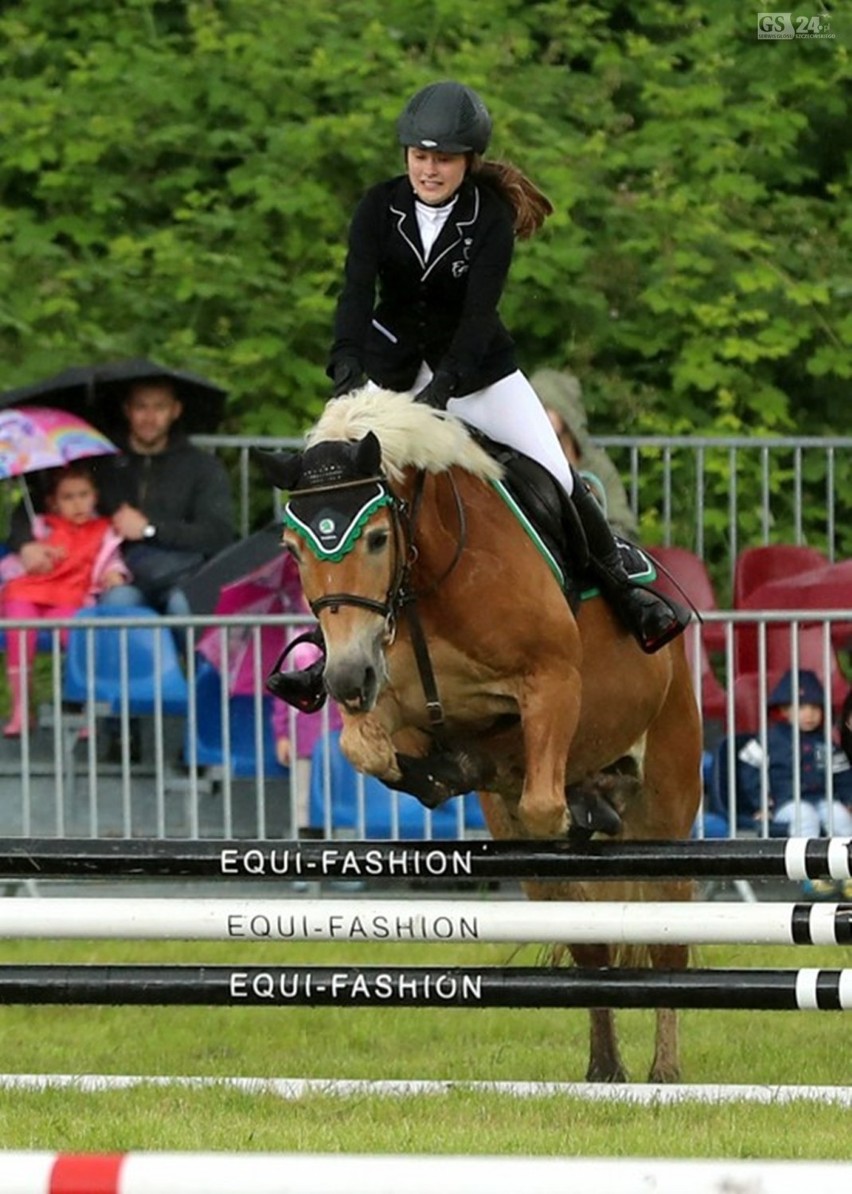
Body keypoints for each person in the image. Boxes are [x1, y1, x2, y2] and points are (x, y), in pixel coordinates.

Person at [325, 80, 687, 674]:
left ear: (468, 161)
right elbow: (356, 291)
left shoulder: (487, 216)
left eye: (442, 158)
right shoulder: (377, 207)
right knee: (336, 481)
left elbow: (478, 314)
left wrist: (444, 387)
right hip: (392, 374)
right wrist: (345, 362)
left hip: (479, 375)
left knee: (557, 474)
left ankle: (625, 591)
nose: (429, 169)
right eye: (419, 156)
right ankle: (323, 642)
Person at [0, 462, 128, 736]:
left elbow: (111, 560)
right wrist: (32, 556)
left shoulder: (104, 531)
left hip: (69, 598)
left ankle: (86, 708)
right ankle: (21, 708)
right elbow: (12, 564)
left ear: (95, 496)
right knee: (19, 633)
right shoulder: (40, 526)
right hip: (28, 591)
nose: (77, 503)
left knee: (79, 637)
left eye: (83, 495)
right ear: (53, 503)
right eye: (68, 498)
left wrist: (115, 575)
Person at [92, 380, 235, 619]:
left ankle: (193, 658)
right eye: (141, 407)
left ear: (175, 411)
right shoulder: (103, 462)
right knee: (117, 604)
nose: (149, 417)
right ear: (127, 410)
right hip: (124, 577)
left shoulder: (202, 467)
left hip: (185, 575)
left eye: (159, 408)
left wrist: (149, 529)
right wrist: (25, 543)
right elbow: (51, 500)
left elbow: (217, 534)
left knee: (185, 607)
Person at [531, 367, 639, 542]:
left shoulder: (596, 465)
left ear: (565, 412)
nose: (541, 416)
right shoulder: (529, 464)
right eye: (535, 408)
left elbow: (622, 523)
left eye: (547, 408)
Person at [765, 669, 852, 839]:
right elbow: (751, 775)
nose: (809, 714)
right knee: (805, 817)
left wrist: (849, 800)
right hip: (784, 803)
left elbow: (843, 776)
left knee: (841, 817)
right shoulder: (769, 740)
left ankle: (845, 862)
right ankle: (801, 864)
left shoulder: (827, 744)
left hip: (823, 800)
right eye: (801, 707)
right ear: (784, 710)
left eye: (815, 707)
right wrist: (760, 804)